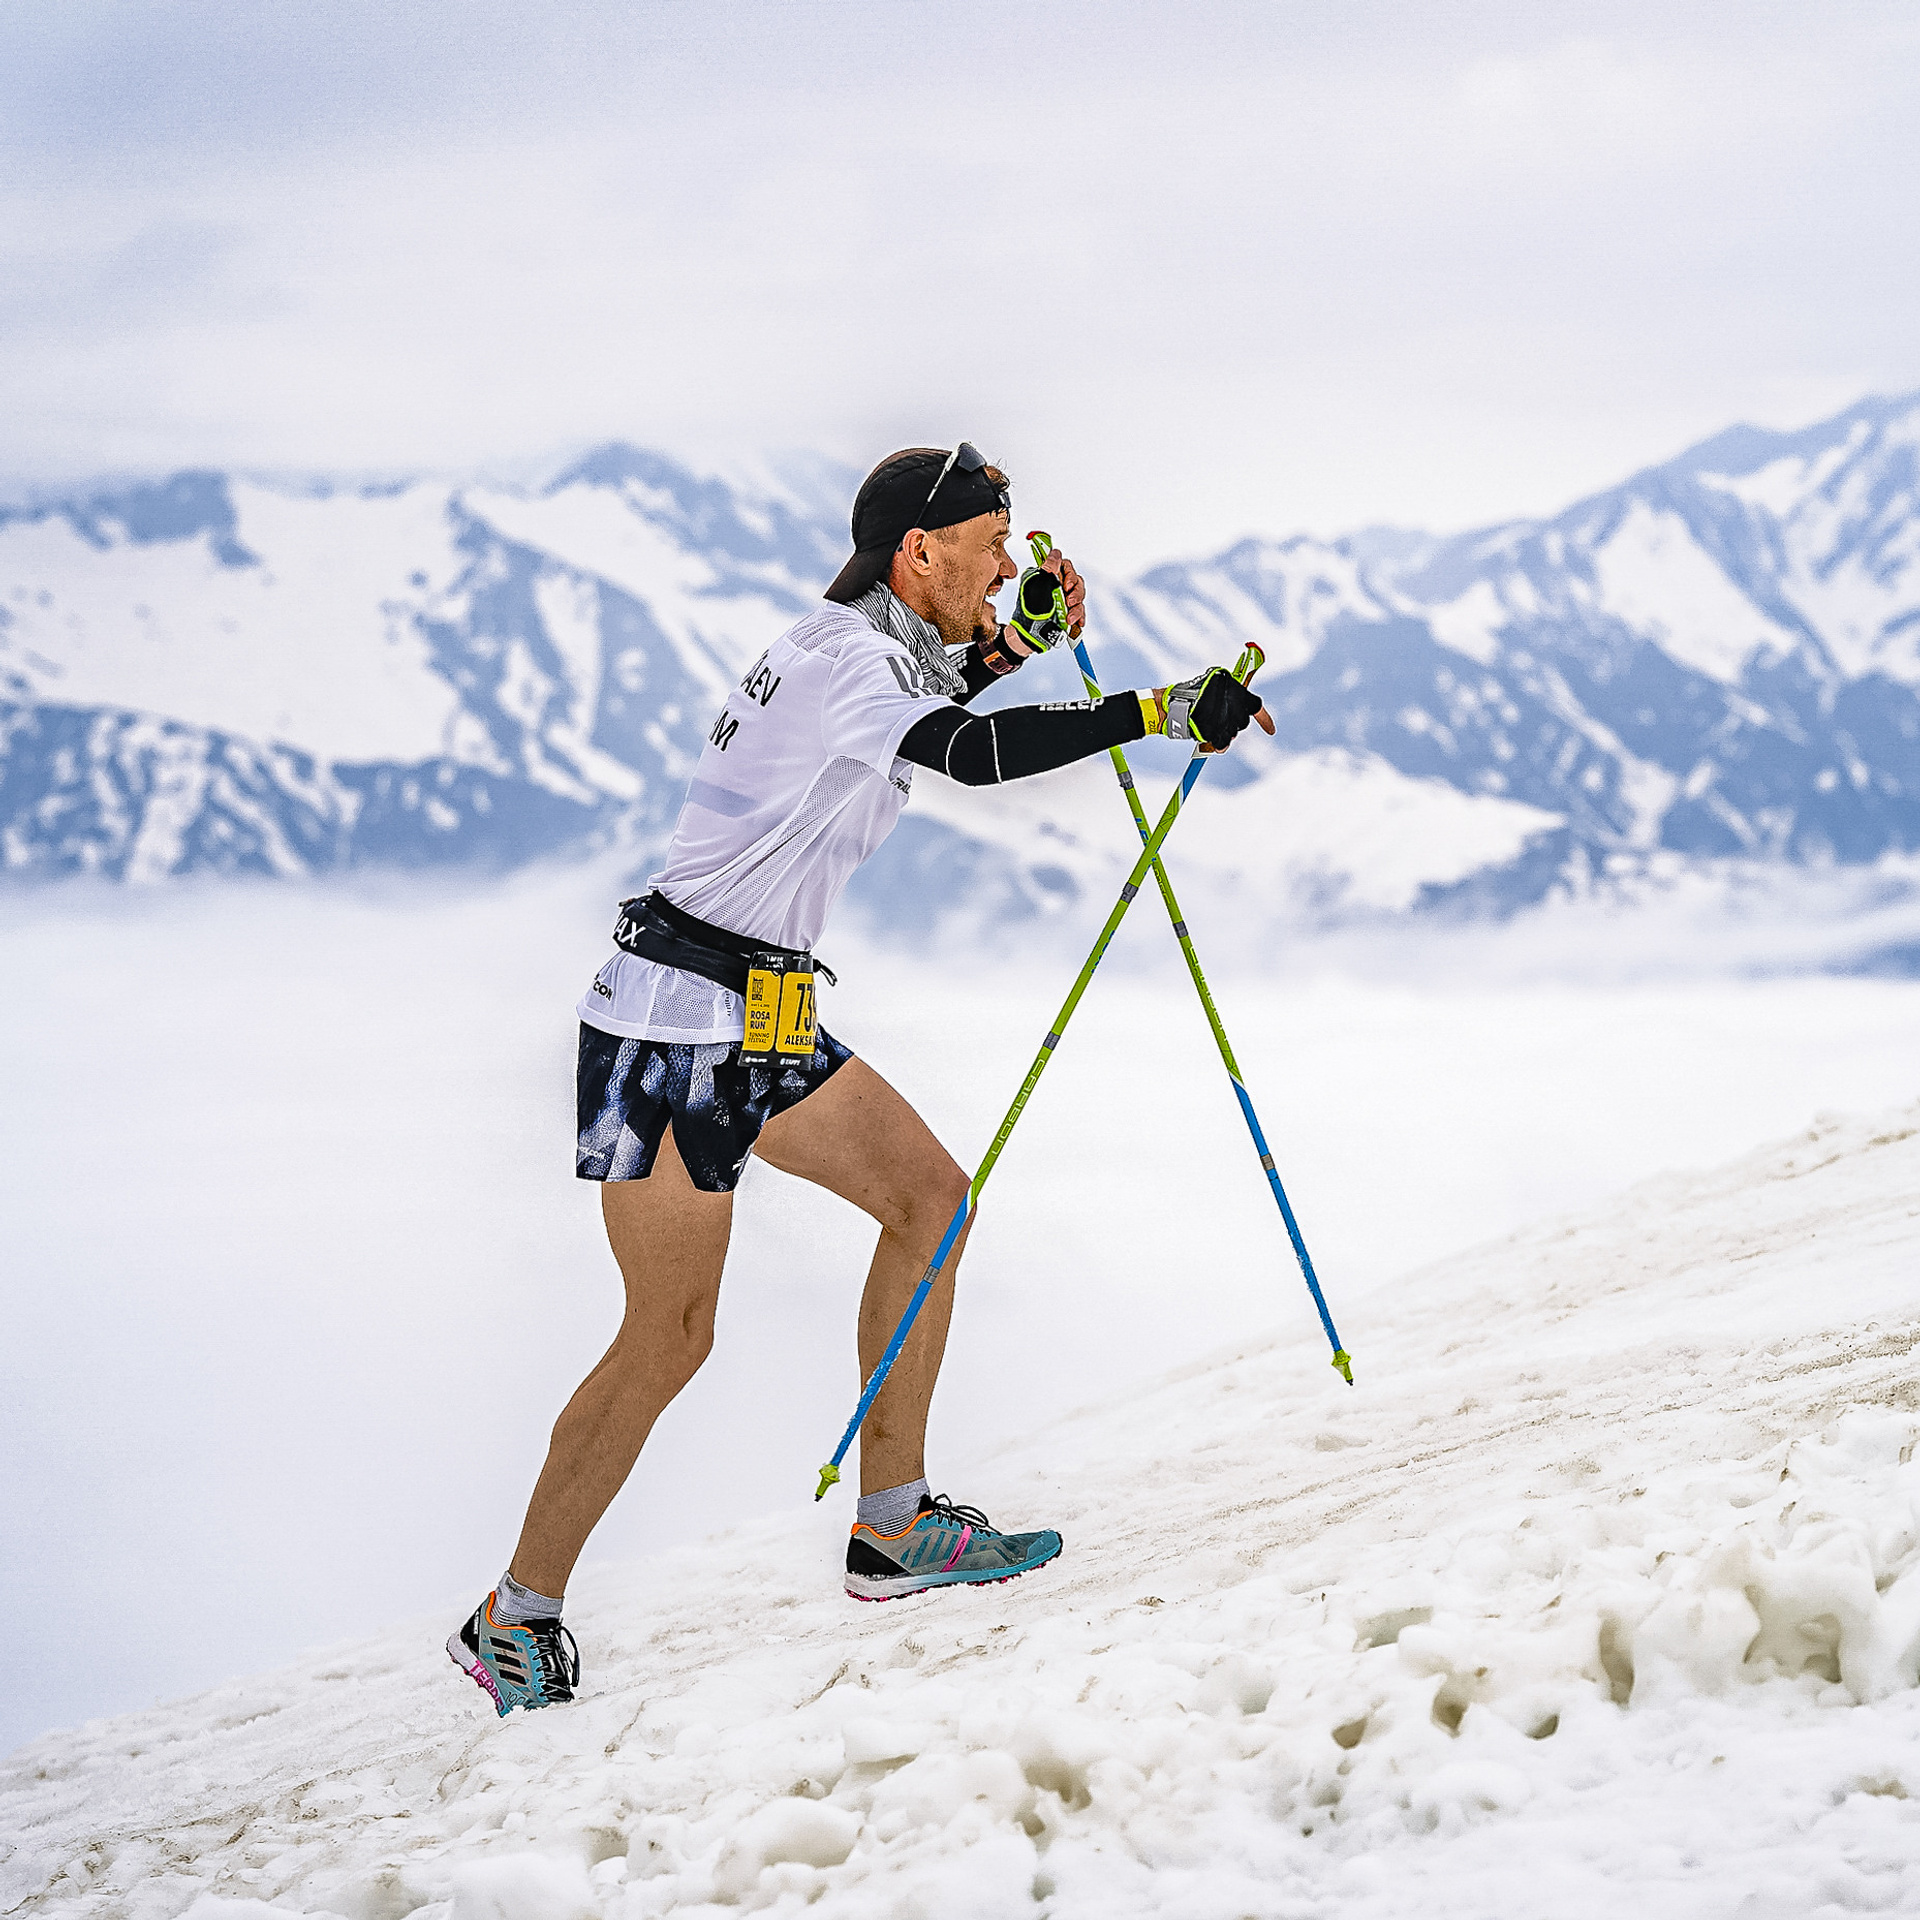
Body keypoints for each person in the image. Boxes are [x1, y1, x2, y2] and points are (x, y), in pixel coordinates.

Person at [448, 443, 1273, 1715]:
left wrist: (1015, 649)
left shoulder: (862, 644)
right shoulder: (849, 660)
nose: (1009, 565)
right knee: (669, 1340)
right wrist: (1157, 711)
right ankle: (515, 1615)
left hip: (753, 999)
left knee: (932, 1204)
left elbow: (931, 694)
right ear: (918, 553)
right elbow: (965, 754)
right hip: (673, 1024)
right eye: (994, 545)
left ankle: (891, 1525)